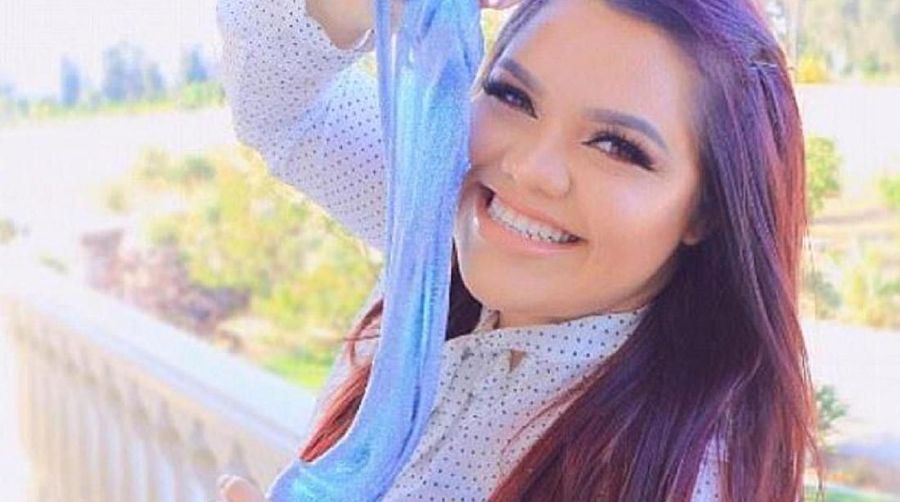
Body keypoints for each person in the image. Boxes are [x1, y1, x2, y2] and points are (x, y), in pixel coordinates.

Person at [215, 0, 822, 499]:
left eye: (617, 147)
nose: (530, 169)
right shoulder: (440, 220)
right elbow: (283, 109)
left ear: (706, 209)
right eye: (513, 97)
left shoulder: (681, 477)